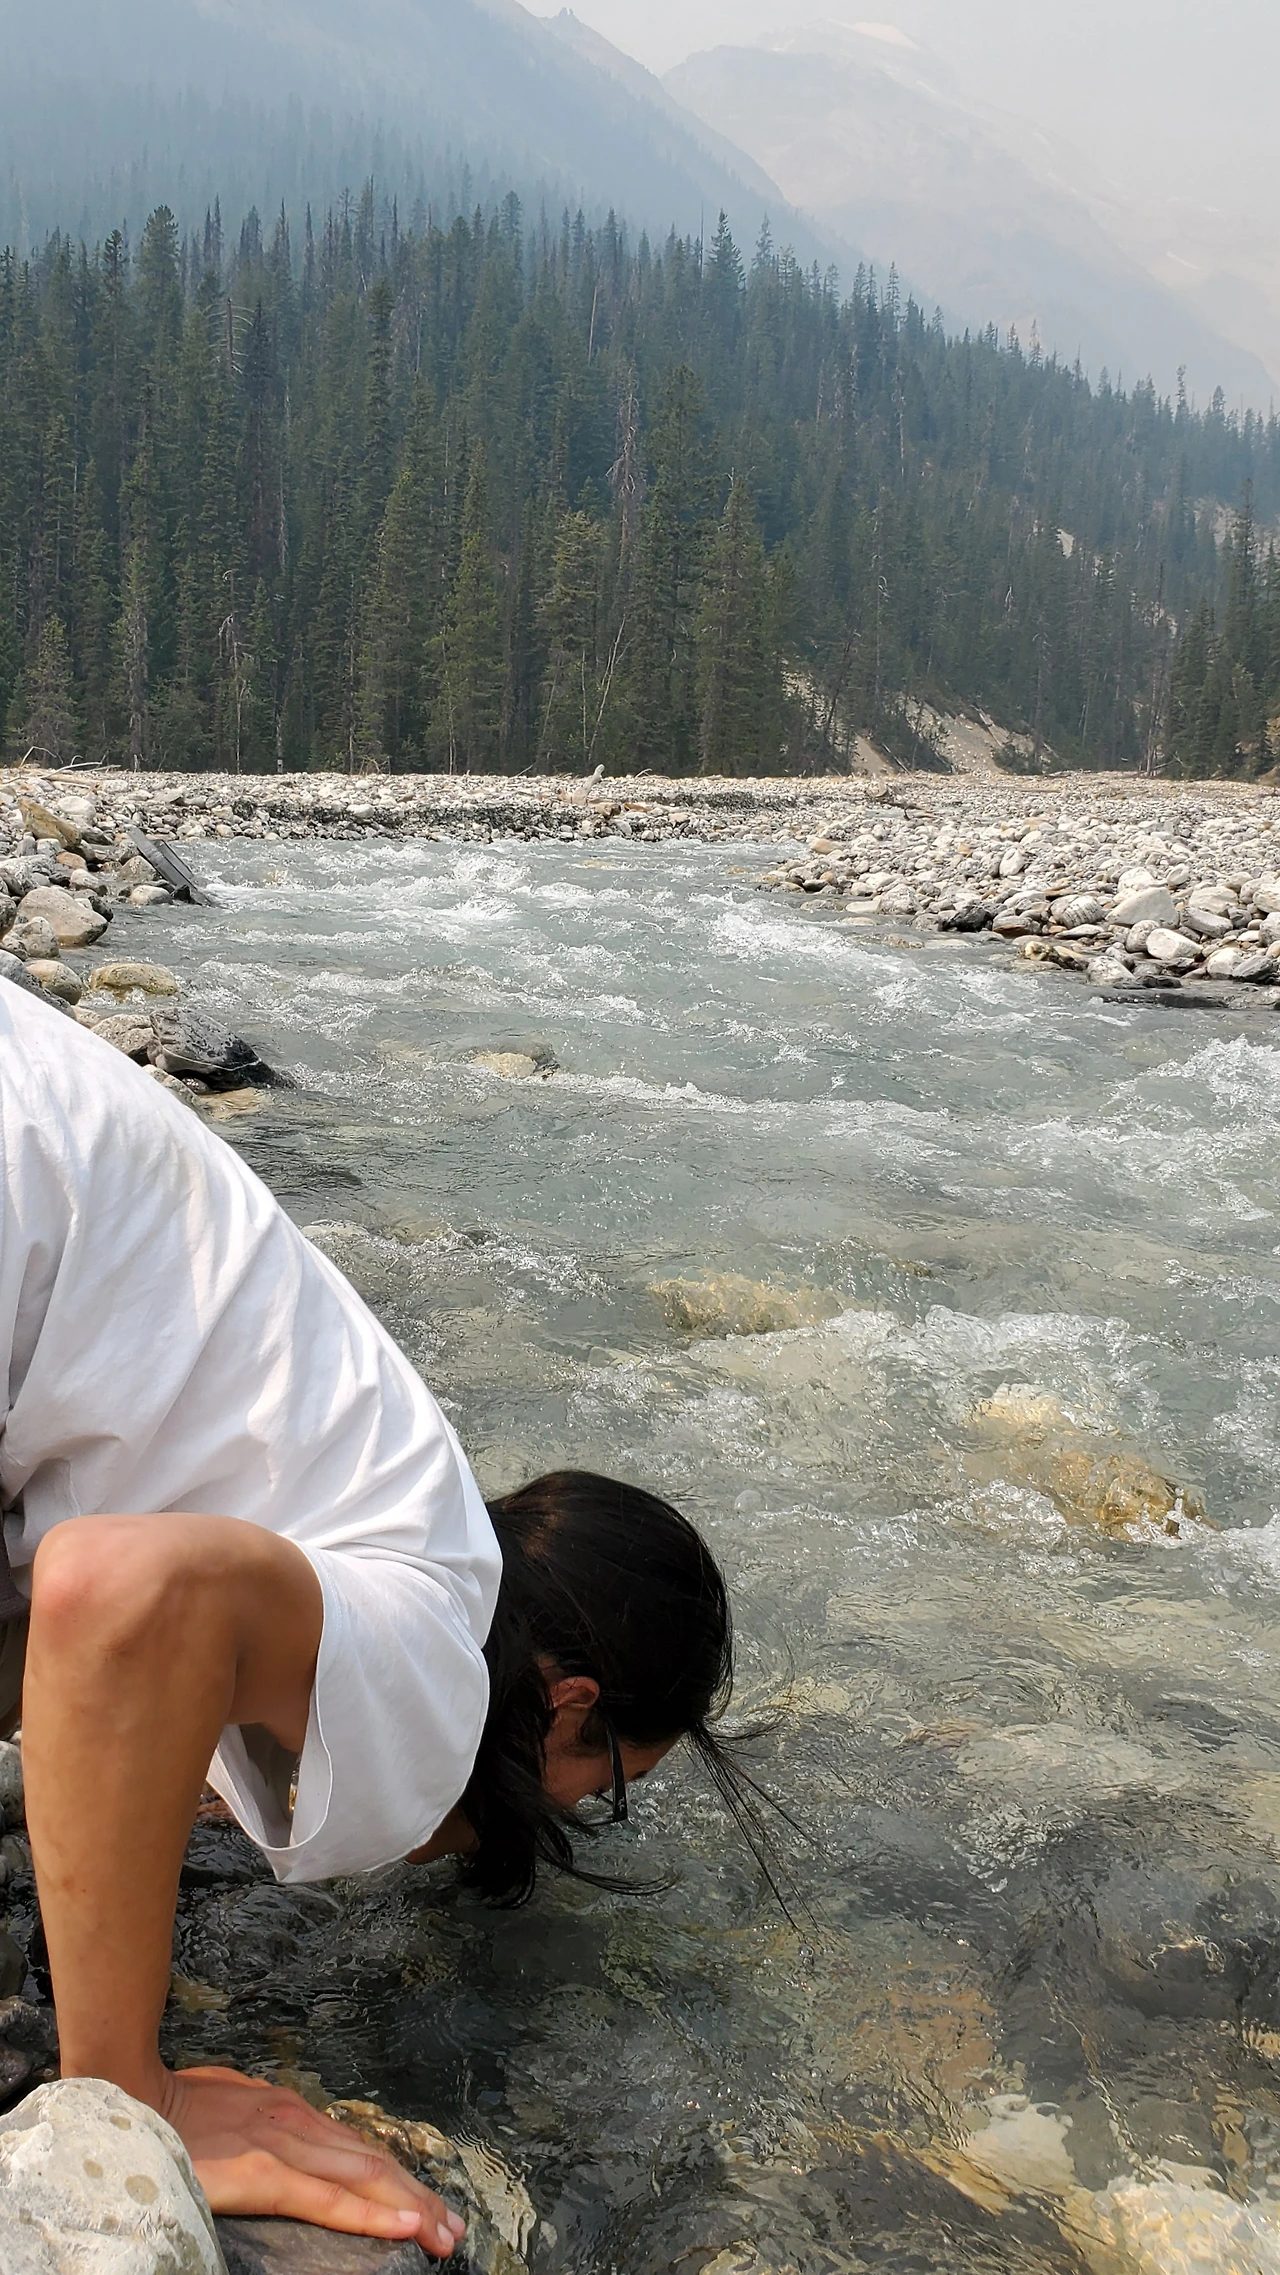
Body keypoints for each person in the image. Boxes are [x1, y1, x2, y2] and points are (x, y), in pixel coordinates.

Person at [0, 980, 743, 2257]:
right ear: (570, 1701)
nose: (571, 1814)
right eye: (607, 1785)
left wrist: (139, 1772)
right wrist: (127, 2093)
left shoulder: (387, 1479)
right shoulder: (443, 1665)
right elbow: (116, 1593)